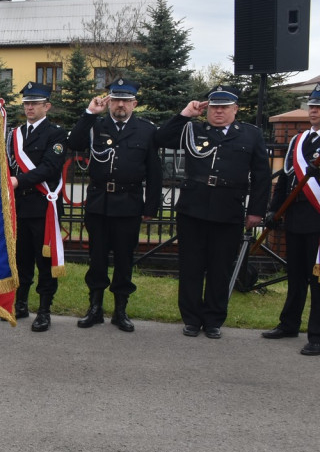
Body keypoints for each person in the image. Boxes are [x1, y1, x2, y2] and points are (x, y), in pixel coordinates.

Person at [154, 85, 270, 339]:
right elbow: (160, 139)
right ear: (207, 109)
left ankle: (214, 320)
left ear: (235, 109)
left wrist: (256, 211)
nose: (219, 111)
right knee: (191, 267)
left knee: (220, 267)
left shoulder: (250, 135)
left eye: (224, 107)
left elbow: (262, 175)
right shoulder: (193, 129)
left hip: (228, 209)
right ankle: (192, 319)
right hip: (193, 208)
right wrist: (184, 114)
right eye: (214, 106)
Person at [67, 79, 162, 332]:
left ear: (134, 104)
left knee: (124, 259)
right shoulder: (96, 125)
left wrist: (150, 208)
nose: (120, 104)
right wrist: (89, 113)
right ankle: (95, 308)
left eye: (125, 100)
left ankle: (120, 310)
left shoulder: (147, 130)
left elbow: (155, 172)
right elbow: (74, 143)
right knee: (96, 258)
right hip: (99, 203)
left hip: (129, 204)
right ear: (108, 101)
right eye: (116, 99)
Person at [260, 84, 320, 355]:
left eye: (319, 107)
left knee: (317, 279)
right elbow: (284, 178)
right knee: (295, 275)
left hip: (317, 218)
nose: (315, 111)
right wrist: (274, 210)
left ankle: (317, 334)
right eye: (313, 106)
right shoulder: (299, 140)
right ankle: (289, 324)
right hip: (296, 216)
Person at [9, 82, 68, 332]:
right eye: (26, 103)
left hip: (43, 205)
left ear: (47, 106)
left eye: (34, 103)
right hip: (20, 206)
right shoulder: (16, 134)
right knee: (21, 259)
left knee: (44, 262)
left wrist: (18, 180)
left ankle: (44, 310)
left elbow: (49, 167)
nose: (29, 107)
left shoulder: (56, 133)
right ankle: (21, 304)